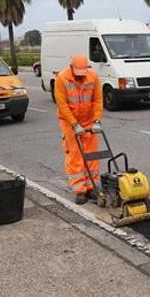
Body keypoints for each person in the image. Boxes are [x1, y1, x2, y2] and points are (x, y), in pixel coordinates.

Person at [55, 55, 104, 204]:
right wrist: (75, 124)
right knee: (75, 156)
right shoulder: (62, 79)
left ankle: (92, 187)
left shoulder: (93, 77)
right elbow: (62, 105)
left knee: (92, 155)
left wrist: (97, 120)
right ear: (71, 67)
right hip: (70, 123)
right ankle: (80, 190)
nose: (81, 76)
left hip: (89, 121)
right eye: (78, 73)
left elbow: (97, 100)